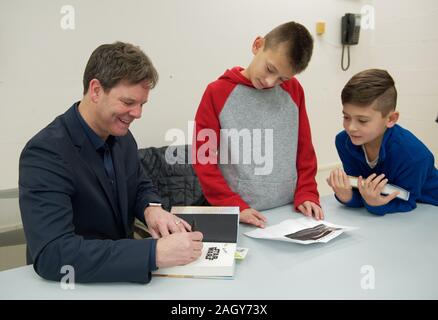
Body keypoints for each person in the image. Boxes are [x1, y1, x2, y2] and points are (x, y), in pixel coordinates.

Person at [19, 42, 203, 284]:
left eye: (142, 104)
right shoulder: (45, 153)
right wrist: (153, 253)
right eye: (128, 102)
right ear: (95, 90)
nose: (138, 114)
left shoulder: (122, 137)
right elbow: (54, 254)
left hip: (117, 274)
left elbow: (138, 184)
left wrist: (152, 208)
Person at [193, 21, 323, 228]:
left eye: (282, 78)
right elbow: (203, 158)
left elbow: (304, 148)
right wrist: (232, 204)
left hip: (288, 212)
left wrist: (307, 192)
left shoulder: (294, 91)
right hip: (240, 213)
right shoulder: (217, 93)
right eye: (270, 69)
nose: (271, 82)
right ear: (257, 45)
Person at [327, 69, 438, 215]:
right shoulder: (344, 142)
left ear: (391, 119)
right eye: (346, 117)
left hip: (428, 209)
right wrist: (347, 197)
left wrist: (375, 204)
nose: (351, 128)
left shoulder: (414, 155)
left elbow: (407, 202)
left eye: (362, 120)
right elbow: (361, 192)